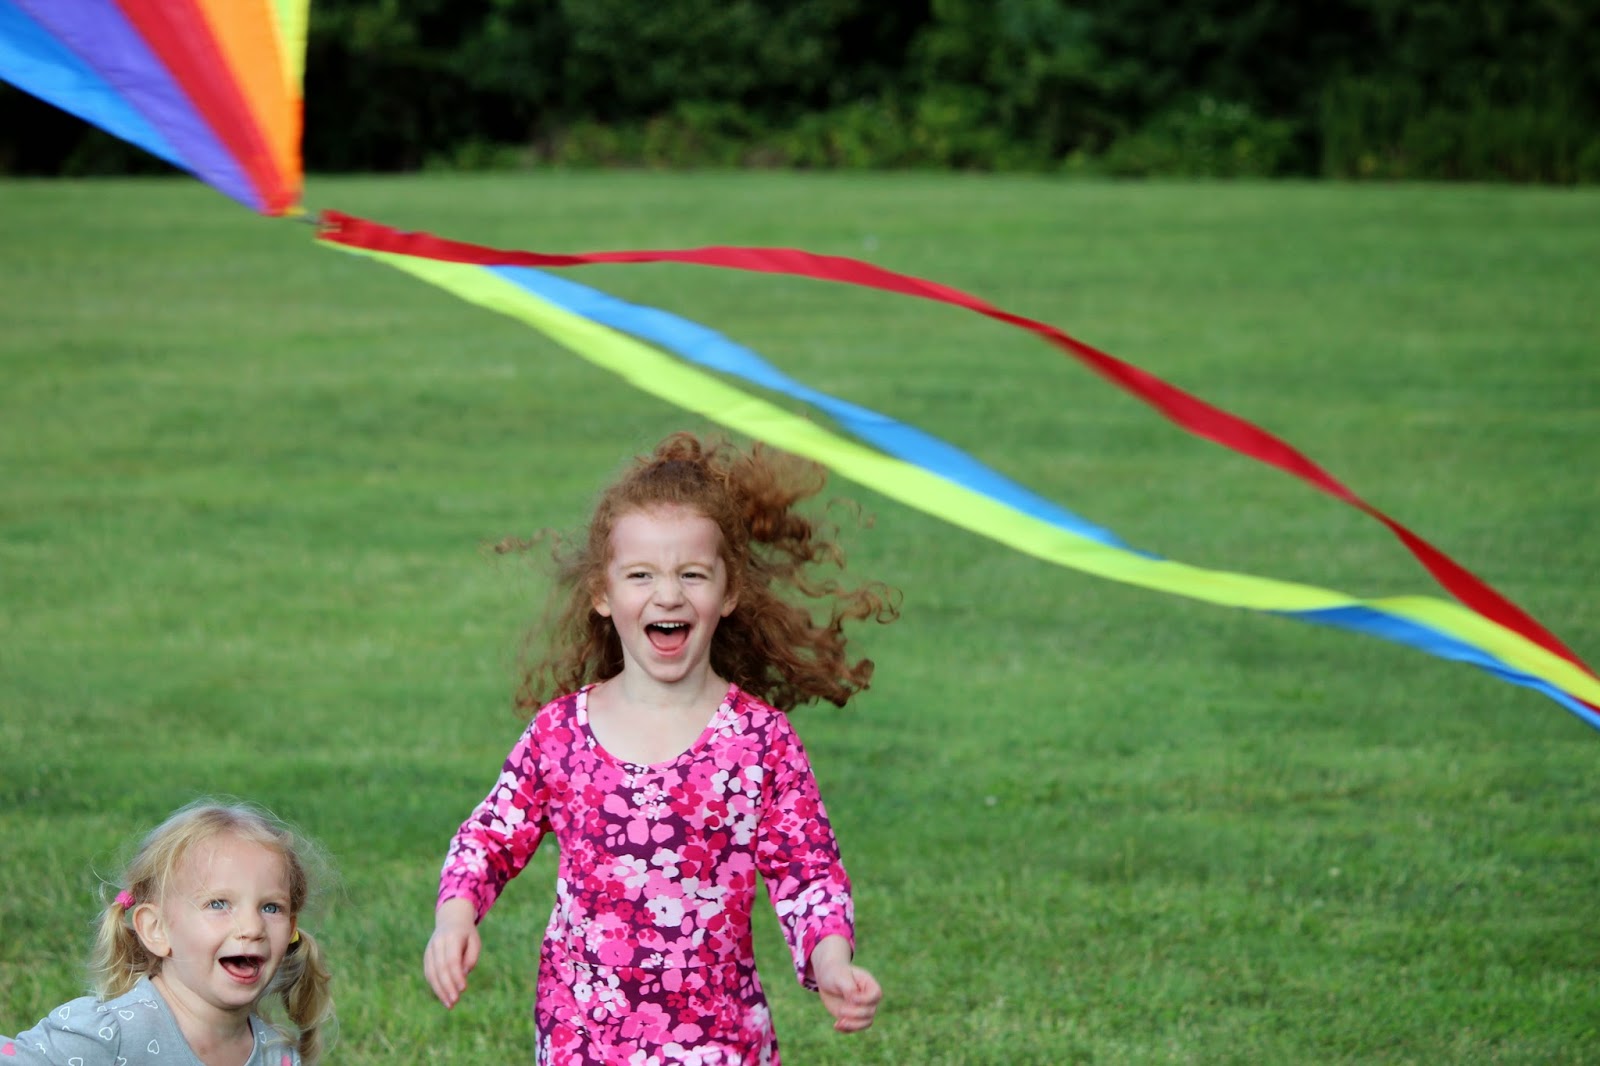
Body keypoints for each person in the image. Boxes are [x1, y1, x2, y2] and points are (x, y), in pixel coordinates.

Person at [424, 431, 900, 1063]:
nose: (668, 594)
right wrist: (455, 917)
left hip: (718, 1041)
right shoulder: (562, 732)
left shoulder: (759, 741)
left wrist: (833, 963)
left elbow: (807, 873)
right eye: (641, 575)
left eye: (692, 574)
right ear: (603, 593)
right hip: (581, 1038)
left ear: (728, 593)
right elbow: (488, 836)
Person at [2, 801, 335, 1065]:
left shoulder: (276, 1053)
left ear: (291, 928)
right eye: (218, 904)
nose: (252, 928)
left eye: (271, 908)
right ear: (156, 929)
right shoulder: (109, 1034)